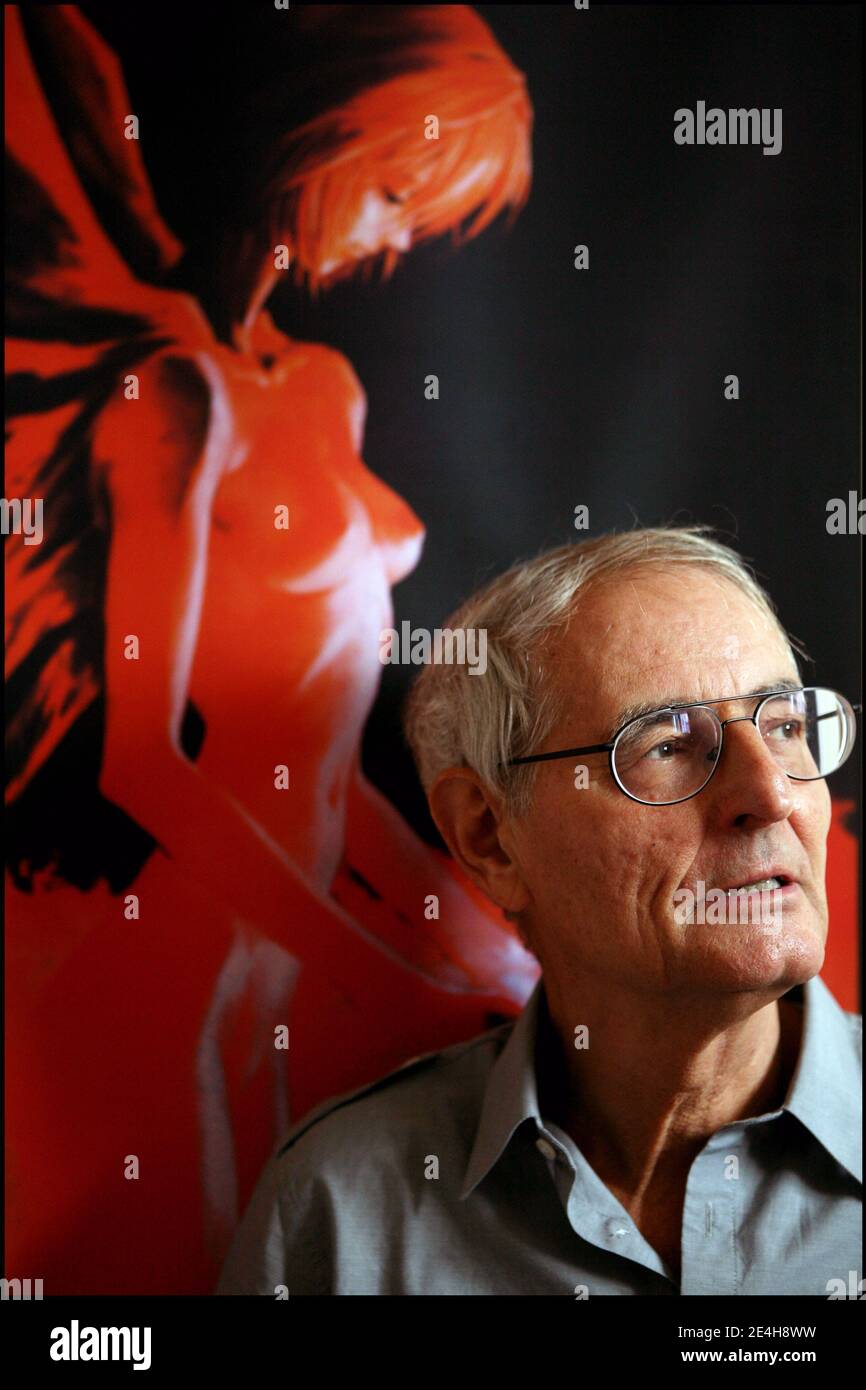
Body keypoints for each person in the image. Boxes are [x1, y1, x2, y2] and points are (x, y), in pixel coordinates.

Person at [4, 3, 536, 1293]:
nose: (405, 236)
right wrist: (370, 967)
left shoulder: (320, 388)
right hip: (172, 964)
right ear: (317, 140)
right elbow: (146, 764)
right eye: (402, 188)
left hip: (280, 962)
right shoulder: (172, 389)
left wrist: (470, 941)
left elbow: (314, 752)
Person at [216, 526, 861, 1295]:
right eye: (665, 746)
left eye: (785, 727)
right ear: (489, 837)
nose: (772, 794)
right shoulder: (343, 1214)